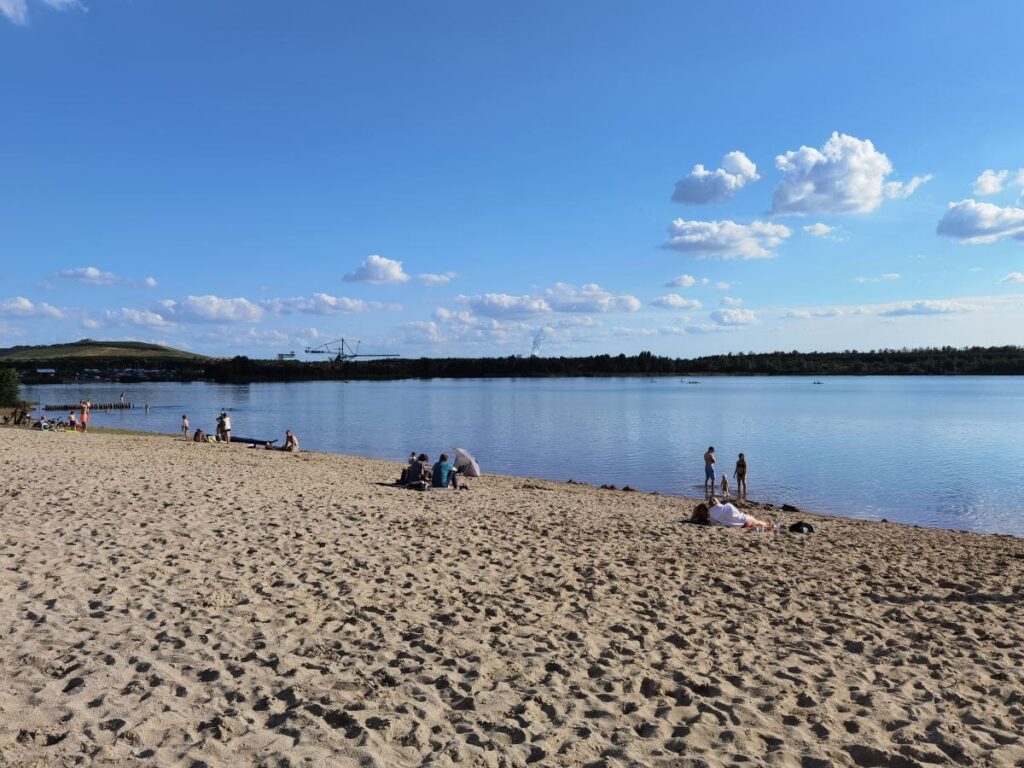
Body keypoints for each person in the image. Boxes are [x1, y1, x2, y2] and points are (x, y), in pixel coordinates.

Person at [691, 497, 774, 530]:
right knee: (760, 523)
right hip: (743, 520)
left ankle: (770, 527)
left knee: (760, 524)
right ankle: (772, 526)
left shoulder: (712, 520)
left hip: (740, 525)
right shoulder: (718, 510)